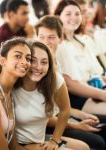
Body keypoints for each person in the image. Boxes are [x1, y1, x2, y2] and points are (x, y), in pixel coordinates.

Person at [0, 40, 90, 150]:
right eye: (18, 56)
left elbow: (11, 141)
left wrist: (54, 140)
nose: (25, 62)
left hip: (30, 143)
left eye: (27, 58)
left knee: (85, 147)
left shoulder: (8, 94)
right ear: (2, 60)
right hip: (16, 145)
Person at [35, 15, 106, 150]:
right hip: (45, 127)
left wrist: (81, 114)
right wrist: (77, 124)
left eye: (51, 37)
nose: (45, 42)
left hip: (59, 118)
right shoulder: (37, 69)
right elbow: (42, 117)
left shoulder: (55, 63)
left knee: (101, 127)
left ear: (61, 38)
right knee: (97, 142)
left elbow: (59, 106)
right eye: (41, 37)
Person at [54, 0, 106, 115]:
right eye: (68, 14)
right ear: (58, 16)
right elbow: (70, 85)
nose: (74, 17)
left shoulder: (83, 41)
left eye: (77, 14)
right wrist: (102, 95)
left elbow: (97, 74)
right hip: (78, 96)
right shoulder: (58, 45)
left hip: (96, 89)